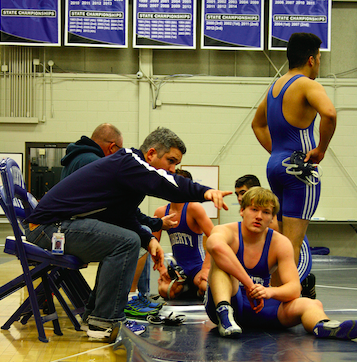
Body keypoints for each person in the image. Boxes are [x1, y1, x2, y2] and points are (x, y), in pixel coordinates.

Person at [24, 127, 231, 341]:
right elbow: (164, 183)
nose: (171, 169)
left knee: (128, 239)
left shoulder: (129, 172)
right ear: (151, 154)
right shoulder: (130, 162)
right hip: (47, 229)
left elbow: (122, 215)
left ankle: (95, 317)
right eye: (170, 161)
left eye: (175, 164)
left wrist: (149, 239)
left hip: (55, 227)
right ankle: (105, 322)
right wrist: (204, 192)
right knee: (126, 242)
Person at [205, 187, 357, 340]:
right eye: (254, 209)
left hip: (261, 306)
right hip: (231, 301)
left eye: (265, 212)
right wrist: (249, 284)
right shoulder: (226, 231)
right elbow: (214, 245)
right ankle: (225, 315)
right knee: (220, 263)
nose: (259, 216)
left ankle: (325, 327)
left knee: (311, 304)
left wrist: (269, 292)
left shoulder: (280, 243)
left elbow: (294, 289)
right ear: (242, 211)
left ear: (272, 218)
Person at [60, 123, 176, 319]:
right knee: (132, 241)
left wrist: (152, 227)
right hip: (65, 231)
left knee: (137, 235)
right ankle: (126, 302)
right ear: (112, 147)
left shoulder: (80, 158)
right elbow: (118, 210)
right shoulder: (94, 162)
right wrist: (149, 232)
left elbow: (121, 209)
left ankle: (101, 310)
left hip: (68, 227)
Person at [251, 33, 336, 275]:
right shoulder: (308, 84)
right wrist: (320, 150)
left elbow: (257, 124)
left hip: (276, 167)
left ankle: (273, 298)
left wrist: (277, 152)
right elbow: (329, 114)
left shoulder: (274, 87)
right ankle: (284, 305)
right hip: (301, 172)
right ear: (311, 60)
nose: (319, 64)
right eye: (319, 59)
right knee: (292, 248)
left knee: (281, 243)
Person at [234, 174, 315, 298]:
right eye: (237, 194)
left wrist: (273, 287)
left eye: (243, 193)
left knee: (285, 291)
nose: (240, 198)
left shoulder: (269, 211)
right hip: (279, 257)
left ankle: (306, 283)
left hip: (296, 251)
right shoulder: (249, 216)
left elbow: (277, 248)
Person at [153, 169, 214, 300]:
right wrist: (162, 269)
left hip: (197, 265)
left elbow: (215, 237)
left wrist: (206, 268)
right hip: (179, 267)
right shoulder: (161, 212)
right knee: (165, 291)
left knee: (206, 287)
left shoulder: (194, 208)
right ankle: (187, 287)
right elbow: (152, 243)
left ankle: (194, 288)